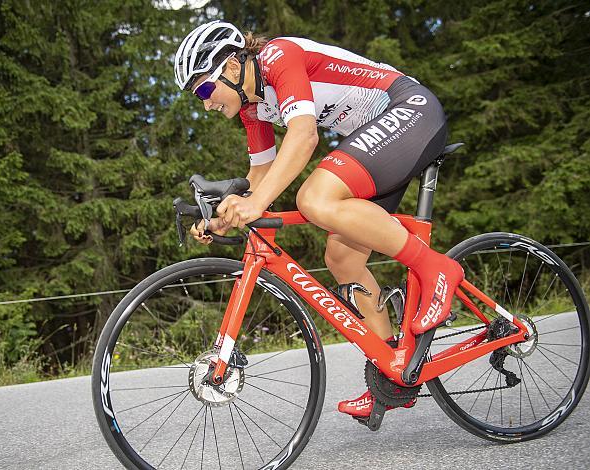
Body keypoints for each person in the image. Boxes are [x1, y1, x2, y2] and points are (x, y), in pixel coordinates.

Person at [173, 20, 464, 420]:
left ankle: (437, 269)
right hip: (374, 139)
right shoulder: (253, 107)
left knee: (314, 198)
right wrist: (229, 216)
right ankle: (393, 374)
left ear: (233, 67)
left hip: (408, 109)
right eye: (197, 96)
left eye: (205, 89)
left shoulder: (279, 57)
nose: (205, 103)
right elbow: (261, 175)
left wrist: (255, 203)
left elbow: (304, 136)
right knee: (343, 258)